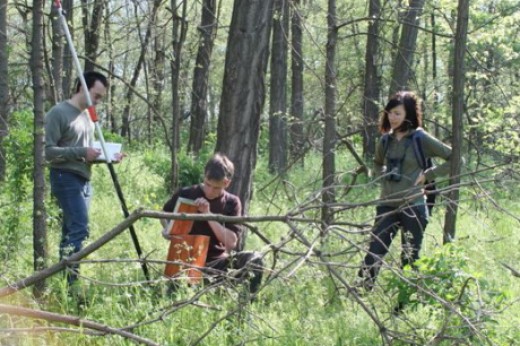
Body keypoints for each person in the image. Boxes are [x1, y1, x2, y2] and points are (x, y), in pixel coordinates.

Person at [358, 91, 452, 294]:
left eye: (397, 113)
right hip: (387, 205)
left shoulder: (420, 138)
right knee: (374, 252)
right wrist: (379, 173)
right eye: (390, 113)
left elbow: (455, 158)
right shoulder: (385, 141)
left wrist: (430, 174)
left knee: (409, 258)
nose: (392, 117)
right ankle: (361, 296)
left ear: (408, 114)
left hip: (413, 206)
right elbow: (376, 163)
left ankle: (404, 303)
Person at [161, 153, 263, 297]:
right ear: (204, 176)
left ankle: (246, 304)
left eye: (215, 188)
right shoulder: (187, 193)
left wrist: (208, 214)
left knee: (255, 258)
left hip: (217, 263)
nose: (209, 191)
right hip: (187, 261)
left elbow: (231, 242)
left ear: (226, 183)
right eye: (207, 185)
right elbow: (164, 214)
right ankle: (189, 287)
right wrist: (167, 230)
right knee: (178, 291)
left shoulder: (232, 202)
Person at [44, 71, 112, 286]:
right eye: (97, 95)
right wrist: (82, 151)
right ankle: (72, 282)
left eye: (101, 98)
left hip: (84, 179)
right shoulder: (59, 112)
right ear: (82, 87)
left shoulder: (88, 118)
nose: (98, 101)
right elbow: (47, 152)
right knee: (81, 227)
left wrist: (107, 156)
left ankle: (65, 282)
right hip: (64, 177)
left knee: (70, 231)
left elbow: (87, 153)